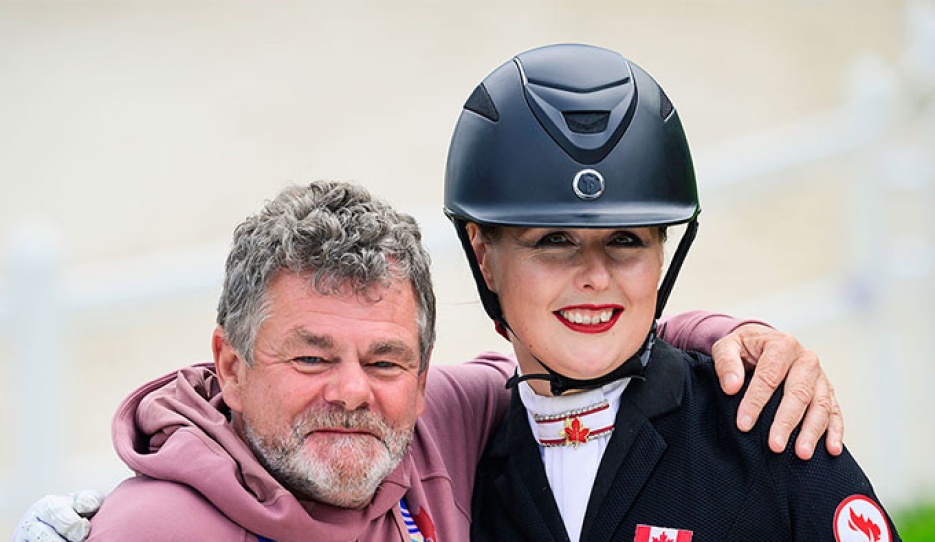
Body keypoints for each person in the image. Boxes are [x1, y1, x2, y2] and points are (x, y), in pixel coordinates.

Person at [14, 180, 843, 542]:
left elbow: (559, 349)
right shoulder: (157, 531)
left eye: (384, 359)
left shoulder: (435, 420)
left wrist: (722, 335)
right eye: (309, 356)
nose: (351, 392)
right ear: (228, 366)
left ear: (421, 368)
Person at [444, 43, 898, 541]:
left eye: (626, 240)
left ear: (663, 252)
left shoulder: (767, 435)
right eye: (555, 241)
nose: (596, 276)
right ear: (484, 257)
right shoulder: (465, 479)